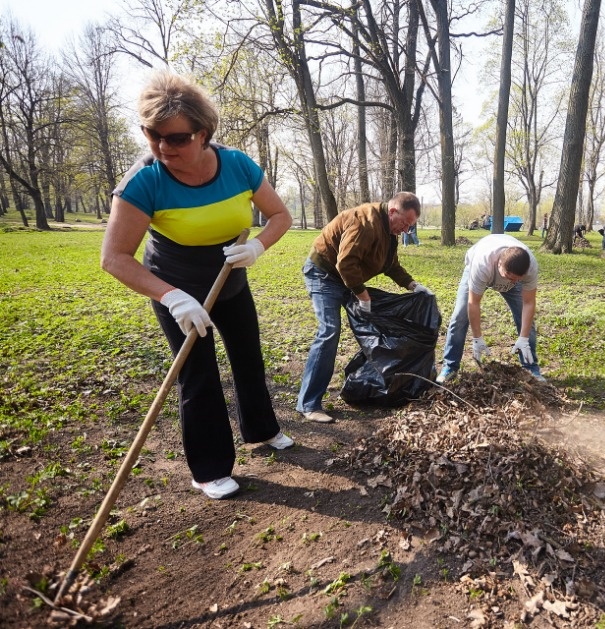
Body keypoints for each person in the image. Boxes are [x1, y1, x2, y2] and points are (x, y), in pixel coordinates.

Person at [101, 72, 295, 500]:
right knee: (198, 375)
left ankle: (263, 430)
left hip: (230, 279)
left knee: (248, 358)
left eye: (177, 138)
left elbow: (281, 216)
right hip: (177, 288)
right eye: (153, 136)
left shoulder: (238, 166)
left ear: (203, 133)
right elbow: (113, 258)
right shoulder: (144, 181)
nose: (163, 148)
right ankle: (208, 470)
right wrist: (171, 297)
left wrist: (258, 247)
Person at [297, 192, 433, 422]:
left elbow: (390, 264)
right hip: (324, 274)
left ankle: (368, 379)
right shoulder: (365, 222)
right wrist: (363, 297)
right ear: (392, 211)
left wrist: (412, 285)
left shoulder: (390, 231)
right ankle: (309, 403)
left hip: (347, 278)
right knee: (329, 331)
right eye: (405, 223)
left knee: (378, 326)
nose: (406, 229)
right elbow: (346, 263)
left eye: (411, 226)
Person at [437, 234, 544, 383]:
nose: (513, 282)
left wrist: (524, 338)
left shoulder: (529, 266)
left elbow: (529, 303)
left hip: (510, 269)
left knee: (526, 320)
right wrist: (477, 338)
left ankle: (531, 368)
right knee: (459, 316)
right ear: (499, 263)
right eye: (509, 276)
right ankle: (450, 367)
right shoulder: (482, 265)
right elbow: (473, 303)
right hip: (478, 269)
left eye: (517, 279)